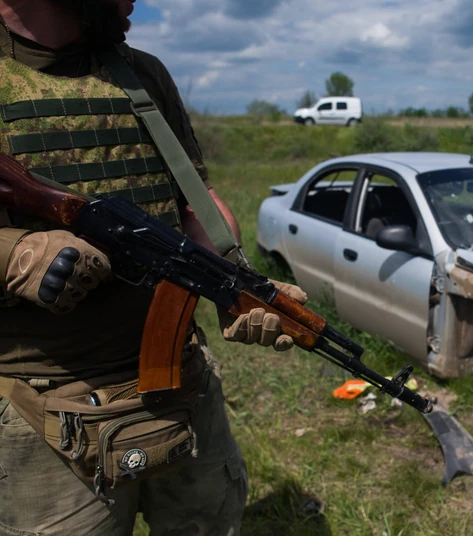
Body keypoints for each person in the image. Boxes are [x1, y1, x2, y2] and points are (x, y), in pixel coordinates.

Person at [0, 1, 306, 534]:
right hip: (45, 411)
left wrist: (234, 283)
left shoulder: (141, 74)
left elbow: (196, 203)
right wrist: (14, 254)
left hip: (181, 387)